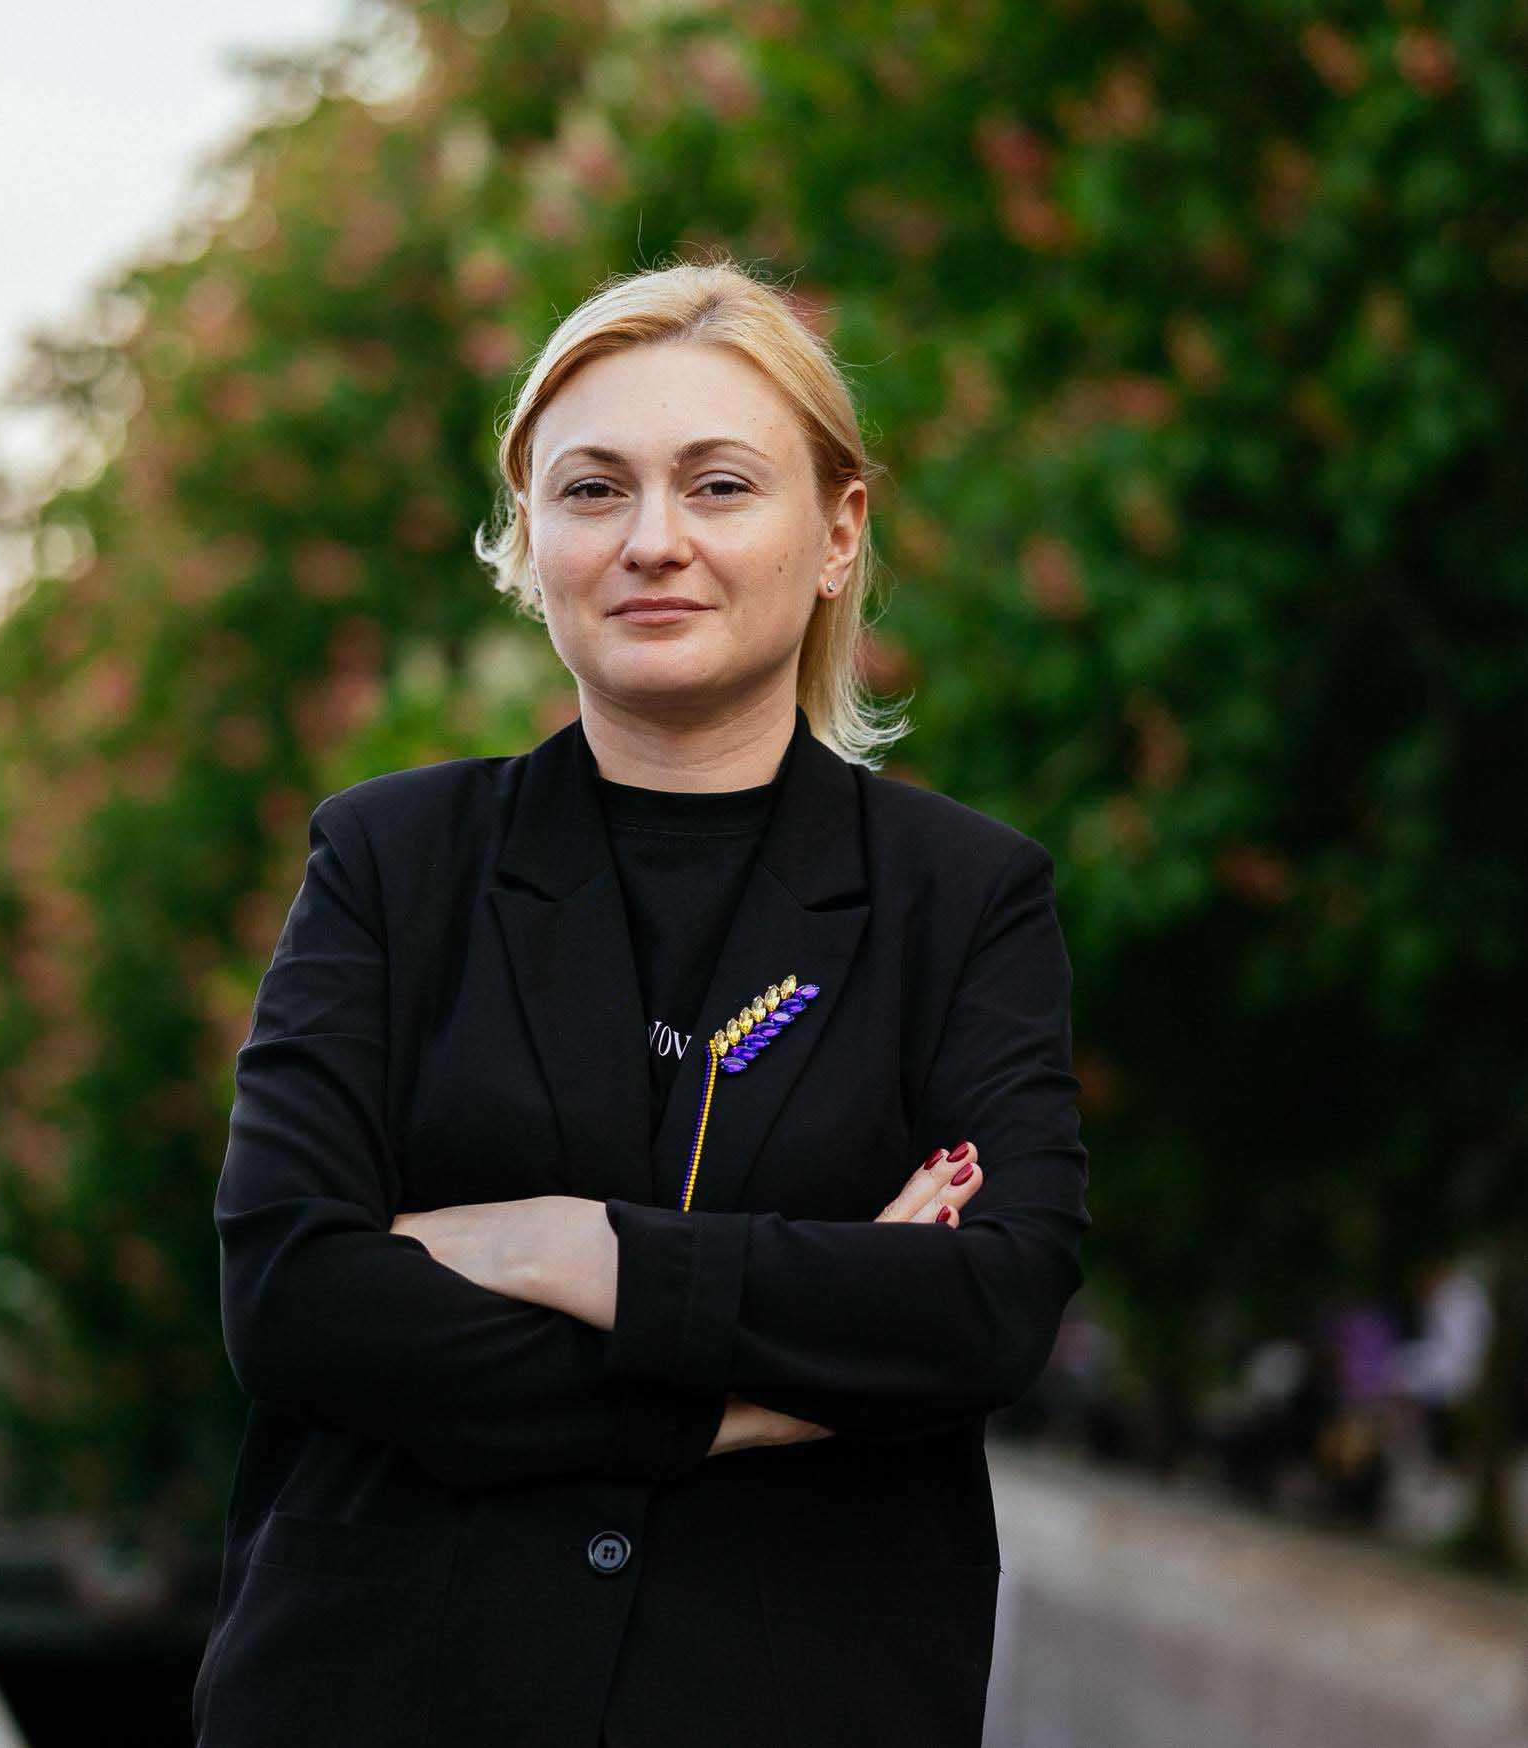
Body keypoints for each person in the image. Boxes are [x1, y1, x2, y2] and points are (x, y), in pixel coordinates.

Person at [191, 256, 1091, 1748]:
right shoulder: (392, 861)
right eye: (593, 490)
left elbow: (989, 1305)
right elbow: (294, 1301)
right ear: (528, 538)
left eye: (719, 486)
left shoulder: (964, 899)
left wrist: (565, 1246)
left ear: (838, 533)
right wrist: (755, 1386)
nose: (652, 541)